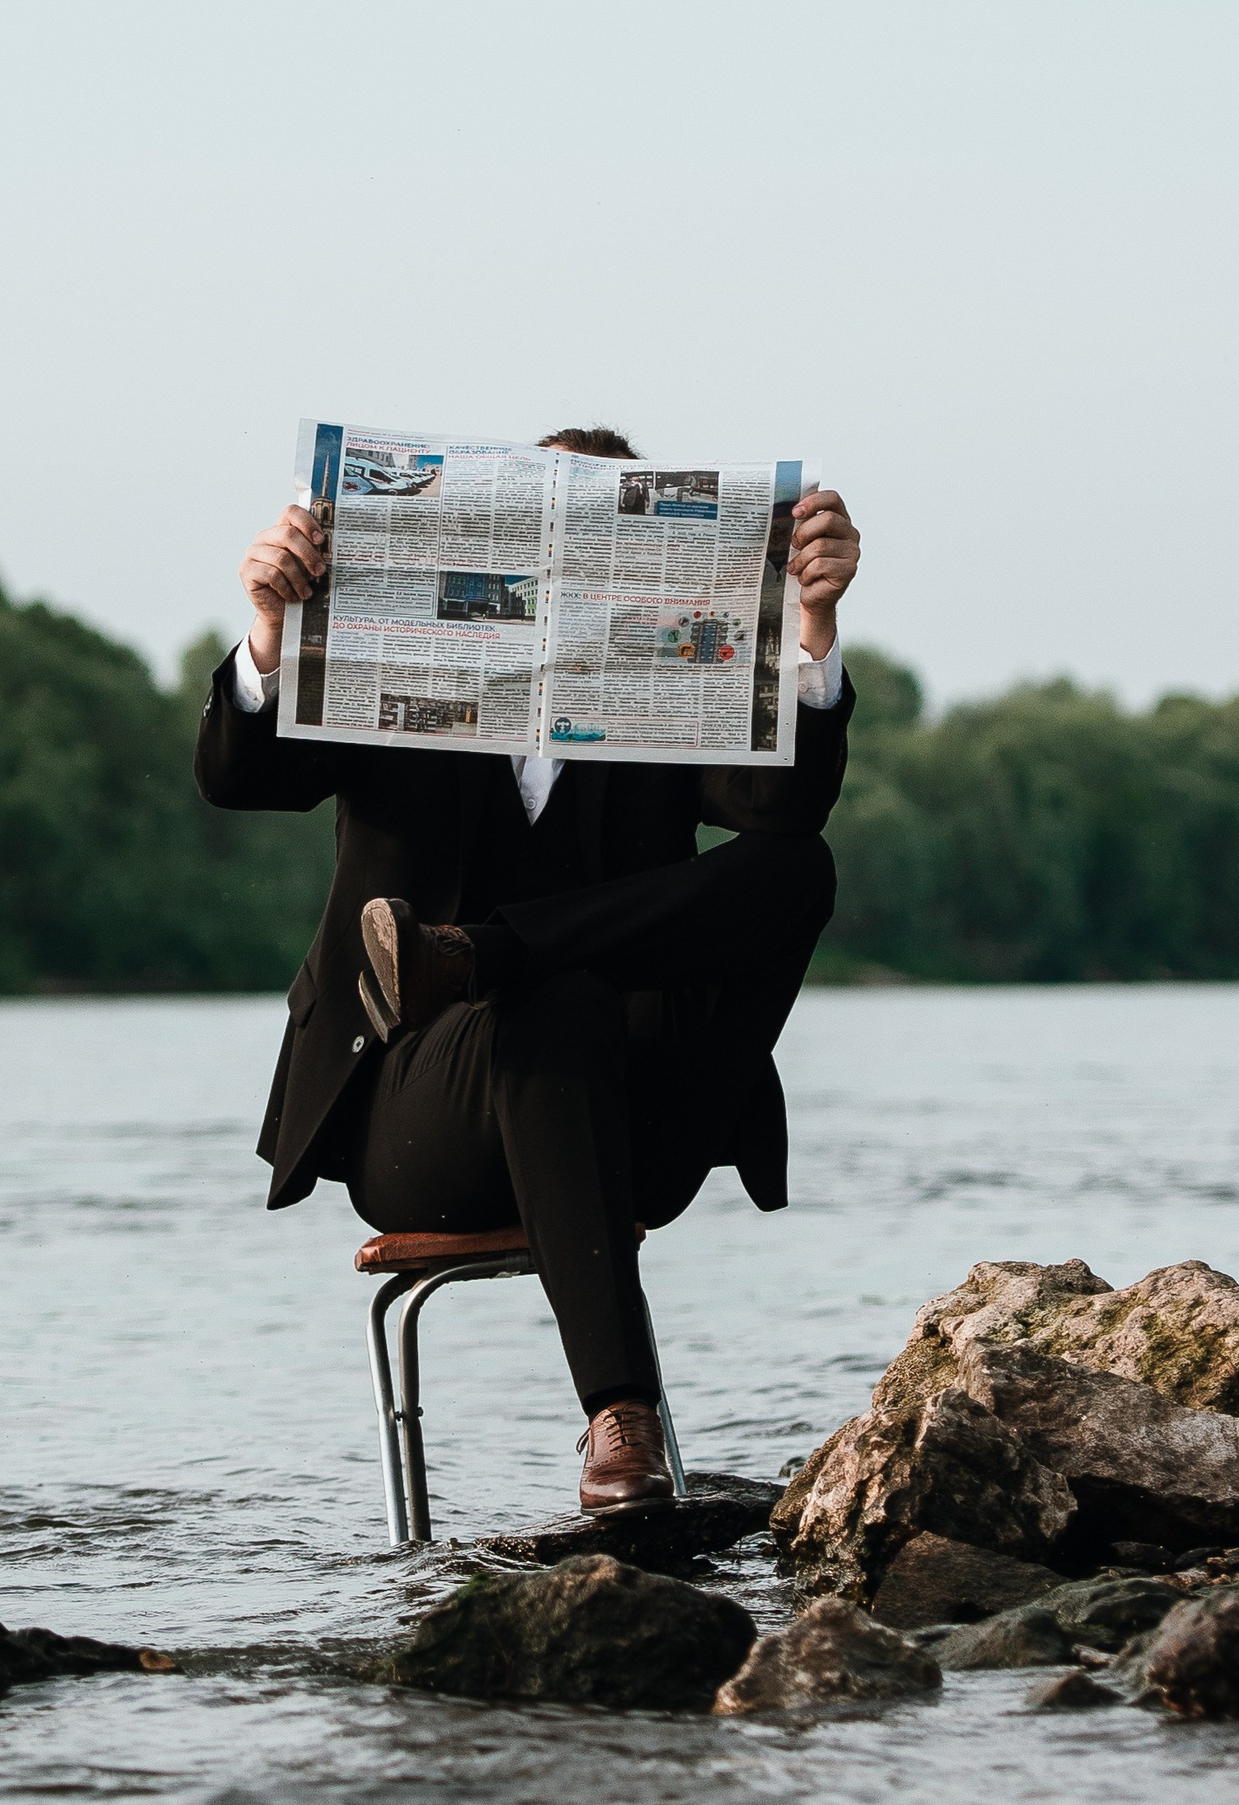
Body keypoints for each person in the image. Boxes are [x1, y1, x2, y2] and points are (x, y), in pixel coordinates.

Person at [194, 429, 861, 1514]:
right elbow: (241, 779)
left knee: (795, 868)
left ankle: (481, 959)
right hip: (421, 1117)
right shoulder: (389, 654)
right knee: (554, 1000)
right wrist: (270, 630)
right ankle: (622, 1422)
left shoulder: (671, 673)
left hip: (637, 1113)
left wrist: (814, 628)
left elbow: (782, 812)